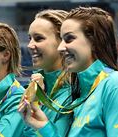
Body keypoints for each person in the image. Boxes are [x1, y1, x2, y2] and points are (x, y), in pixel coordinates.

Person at [18, 6, 118, 137]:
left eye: (69, 39)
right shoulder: (80, 97)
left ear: (94, 41)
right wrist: (43, 126)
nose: (61, 48)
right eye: (62, 39)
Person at [18, 9, 72, 137]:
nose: (30, 45)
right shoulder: (36, 90)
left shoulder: (75, 93)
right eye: (30, 38)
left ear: (62, 41)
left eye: (38, 38)